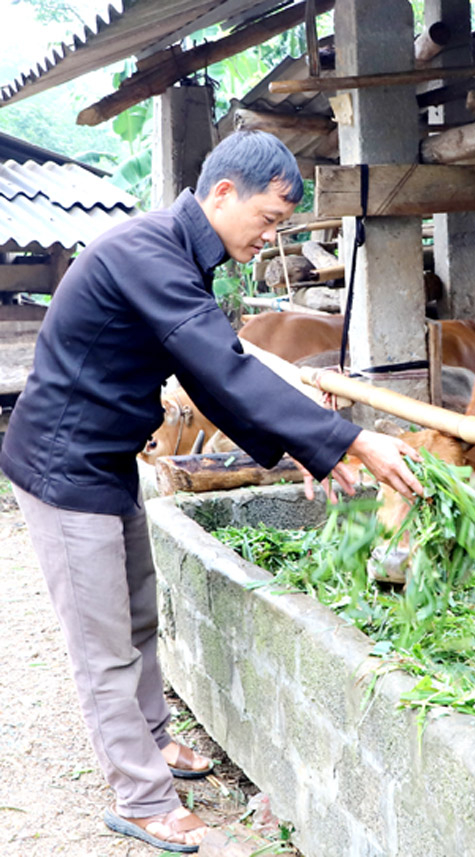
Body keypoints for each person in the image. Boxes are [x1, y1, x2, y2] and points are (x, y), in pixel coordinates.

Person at [0, 130, 422, 853]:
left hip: (104, 461)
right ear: (222, 193)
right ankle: (141, 796)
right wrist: (351, 439)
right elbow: (226, 370)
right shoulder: (149, 252)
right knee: (102, 644)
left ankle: (156, 741)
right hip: (65, 470)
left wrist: (309, 452)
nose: (270, 237)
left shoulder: (176, 260)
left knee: (135, 616)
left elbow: (207, 380)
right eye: (268, 219)